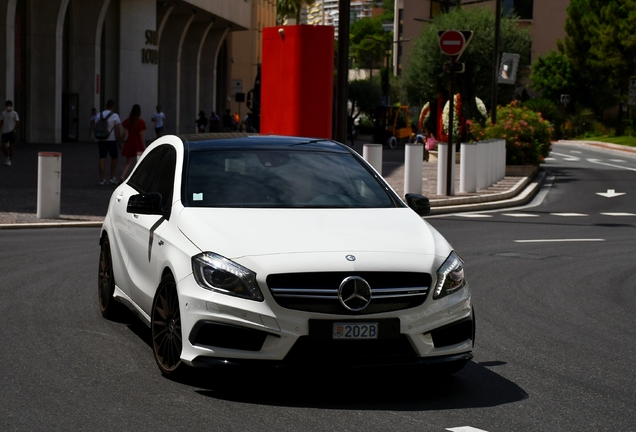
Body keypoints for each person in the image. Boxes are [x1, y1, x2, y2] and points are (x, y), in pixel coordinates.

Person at [97, 99, 122, 185]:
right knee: (114, 158)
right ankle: (112, 177)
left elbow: (95, 126)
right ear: (113, 106)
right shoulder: (115, 116)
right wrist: (120, 140)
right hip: (111, 139)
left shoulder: (99, 115)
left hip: (101, 139)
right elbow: (117, 129)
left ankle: (102, 179)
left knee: (102, 158)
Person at [120, 104, 147, 183]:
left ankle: (122, 175)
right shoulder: (141, 122)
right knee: (139, 162)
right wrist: (144, 146)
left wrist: (120, 141)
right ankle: (137, 178)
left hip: (130, 141)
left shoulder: (127, 121)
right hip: (138, 143)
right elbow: (141, 135)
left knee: (128, 162)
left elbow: (124, 133)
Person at [0, 100, 19, 166]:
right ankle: (7, 156)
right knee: (3, 146)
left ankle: (10, 159)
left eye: (10, 105)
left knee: (11, 146)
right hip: (5, 132)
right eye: (7, 105)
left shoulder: (14, 113)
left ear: (11, 106)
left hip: (11, 132)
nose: (9, 107)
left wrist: (14, 129)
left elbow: (17, 122)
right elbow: (1, 122)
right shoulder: (3, 113)